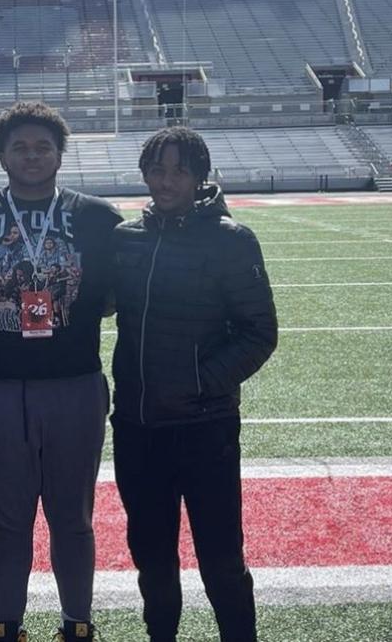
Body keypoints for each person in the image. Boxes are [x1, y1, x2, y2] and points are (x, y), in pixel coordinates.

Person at [0, 101, 123, 642]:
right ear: (1, 155)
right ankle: (7, 622)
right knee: (7, 519)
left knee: (72, 517)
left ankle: (77, 621)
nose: (32, 156)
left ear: (60, 152)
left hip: (74, 383)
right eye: (19, 147)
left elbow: (114, 297)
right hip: (1, 388)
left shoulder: (98, 217)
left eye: (43, 146)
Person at [110, 127, 278, 642]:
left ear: (200, 175)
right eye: (157, 170)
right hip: (138, 428)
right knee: (152, 560)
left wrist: (200, 383)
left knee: (221, 558)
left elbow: (260, 333)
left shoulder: (230, 239)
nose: (166, 181)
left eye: (179, 170)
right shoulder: (126, 239)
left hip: (205, 428)